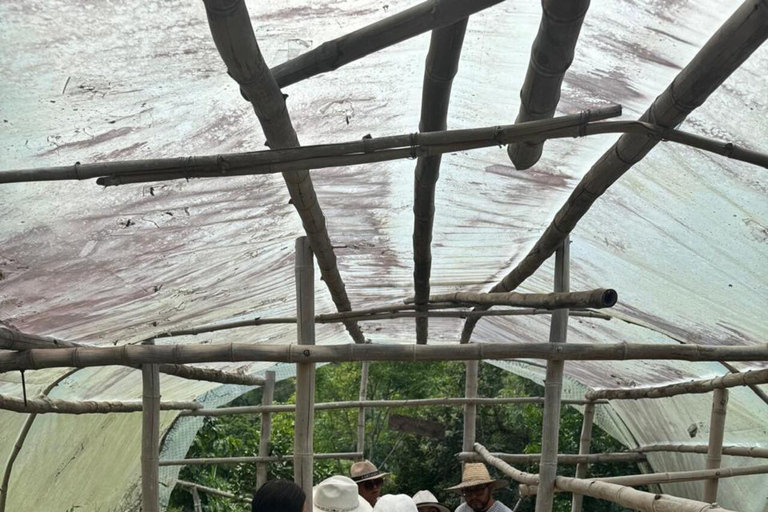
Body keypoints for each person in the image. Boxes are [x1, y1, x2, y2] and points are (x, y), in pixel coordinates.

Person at [446, 463, 511, 512]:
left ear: (490, 489)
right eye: (468, 492)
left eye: (478, 490)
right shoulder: (462, 510)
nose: (473, 496)